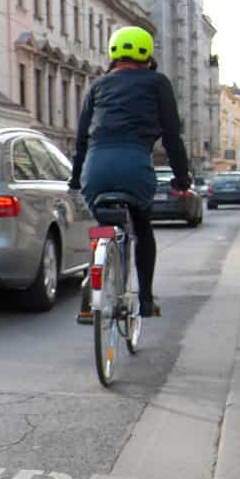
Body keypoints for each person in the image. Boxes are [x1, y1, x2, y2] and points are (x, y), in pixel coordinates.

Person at [70, 26, 191, 319]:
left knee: (102, 228)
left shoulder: (97, 86)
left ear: (113, 54)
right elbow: (172, 137)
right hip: (135, 166)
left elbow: (82, 138)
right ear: (148, 55)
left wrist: (75, 179)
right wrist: (182, 179)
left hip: (96, 170)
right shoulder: (157, 82)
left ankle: (92, 289)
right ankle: (147, 301)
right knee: (142, 227)